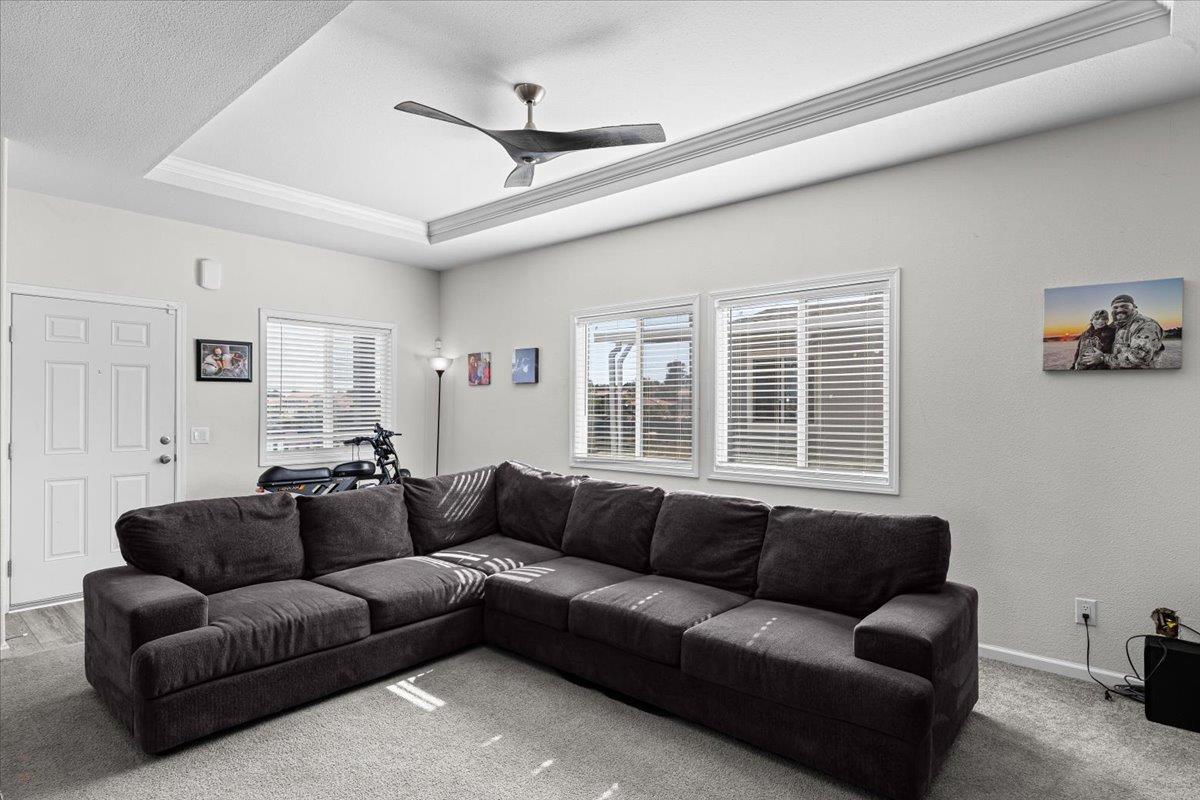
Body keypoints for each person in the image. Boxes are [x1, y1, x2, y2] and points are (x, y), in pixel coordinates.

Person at [1078, 293, 1164, 369]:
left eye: (1124, 306)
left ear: (1134, 307)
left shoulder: (1146, 325)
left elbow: (1139, 357)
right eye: (1115, 307)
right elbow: (1097, 331)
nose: (1119, 310)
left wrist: (1103, 358)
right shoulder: (1117, 325)